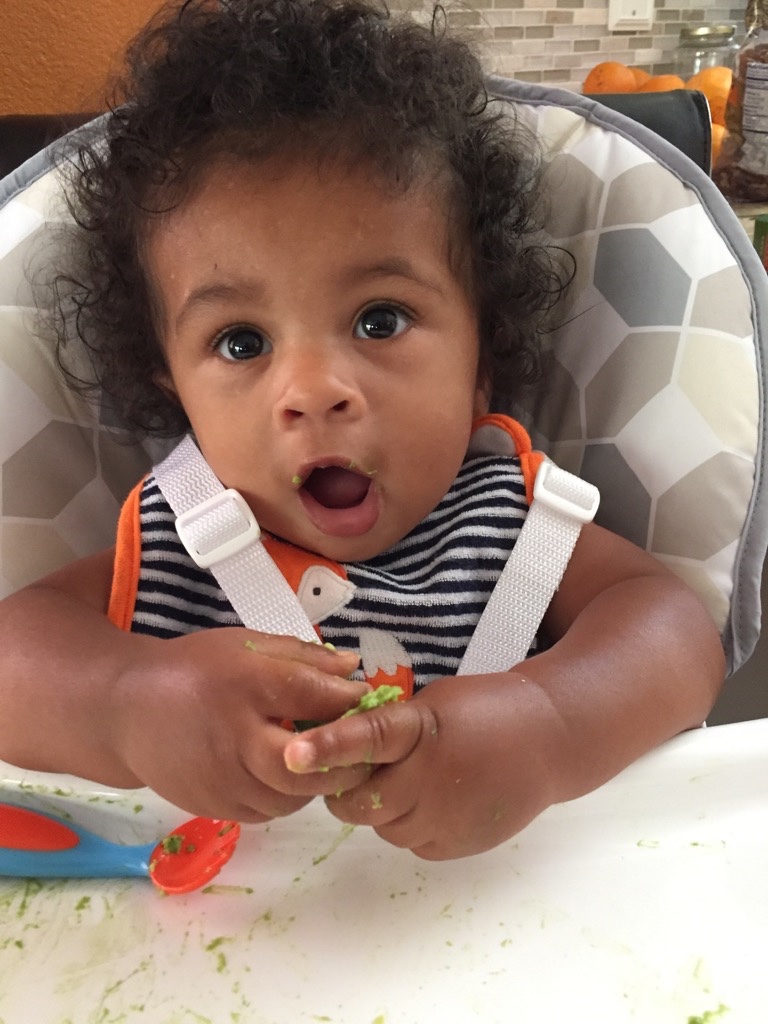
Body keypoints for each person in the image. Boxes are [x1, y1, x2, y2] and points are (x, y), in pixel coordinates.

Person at [0, 0, 724, 860]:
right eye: (241, 343)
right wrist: (128, 705)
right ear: (174, 388)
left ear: (481, 358)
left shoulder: (509, 527)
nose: (312, 392)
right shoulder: (175, 544)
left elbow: (674, 633)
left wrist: (550, 727)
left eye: (380, 320)